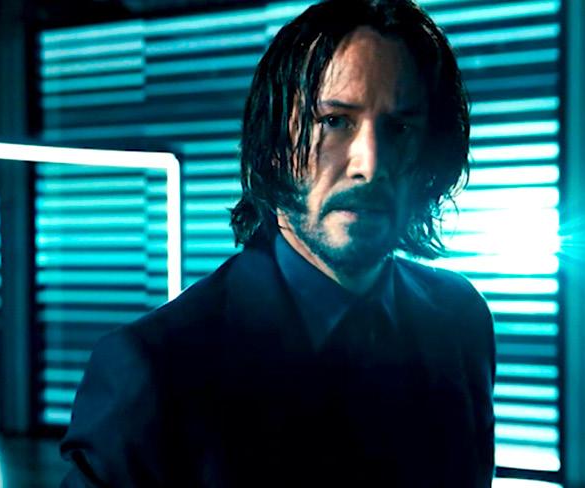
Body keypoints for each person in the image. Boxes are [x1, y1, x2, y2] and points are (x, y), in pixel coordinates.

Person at [60, 0, 495, 485]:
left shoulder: (461, 322)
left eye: (400, 128)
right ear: (274, 146)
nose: (370, 164)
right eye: (335, 121)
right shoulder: (155, 369)